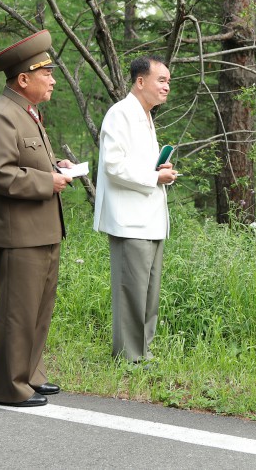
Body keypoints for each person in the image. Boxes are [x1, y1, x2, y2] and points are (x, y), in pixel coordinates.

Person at [0, 29, 73, 407]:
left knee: (38, 309)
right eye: (46, 73)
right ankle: (7, 388)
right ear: (24, 78)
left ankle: (29, 375)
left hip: (40, 229)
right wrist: (49, 180)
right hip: (14, 233)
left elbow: (25, 162)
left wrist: (56, 166)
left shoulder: (26, 112)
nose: (52, 80)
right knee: (16, 311)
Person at [94, 55, 177, 364]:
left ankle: (143, 352)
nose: (167, 86)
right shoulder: (120, 113)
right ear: (140, 82)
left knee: (148, 293)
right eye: (161, 80)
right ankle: (128, 358)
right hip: (130, 220)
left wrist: (159, 169)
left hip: (150, 220)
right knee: (131, 292)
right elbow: (113, 165)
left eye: (168, 81)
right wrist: (155, 175)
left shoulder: (144, 115)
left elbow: (136, 163)